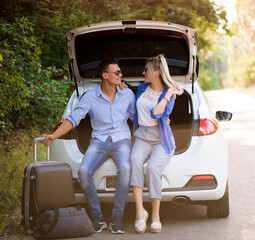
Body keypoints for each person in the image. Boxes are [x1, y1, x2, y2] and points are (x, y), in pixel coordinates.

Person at [41, 59, 135, 234]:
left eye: (120, 72)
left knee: (125, 168)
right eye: (117, 72)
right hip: (99, 140)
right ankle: (98, 218)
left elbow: (136, 117)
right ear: (105, 75)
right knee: (84, 171)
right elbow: (73, 118)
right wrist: (54, 136)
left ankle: (116, 220)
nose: (121, 75)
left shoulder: (127, 94)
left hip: (121, 140)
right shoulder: (90, 97)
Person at [130, 54, 183, 234]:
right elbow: (132, 101)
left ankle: (155, 217)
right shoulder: (142, 88)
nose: (143, 72)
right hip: (142, 136)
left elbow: (156, 113)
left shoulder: (170, 95)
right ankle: (140, 213)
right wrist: (121, 86)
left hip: (161, 139)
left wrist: (168, 94)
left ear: (156, 72)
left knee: (152, 168)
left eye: (146, 70)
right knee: (135, 161)